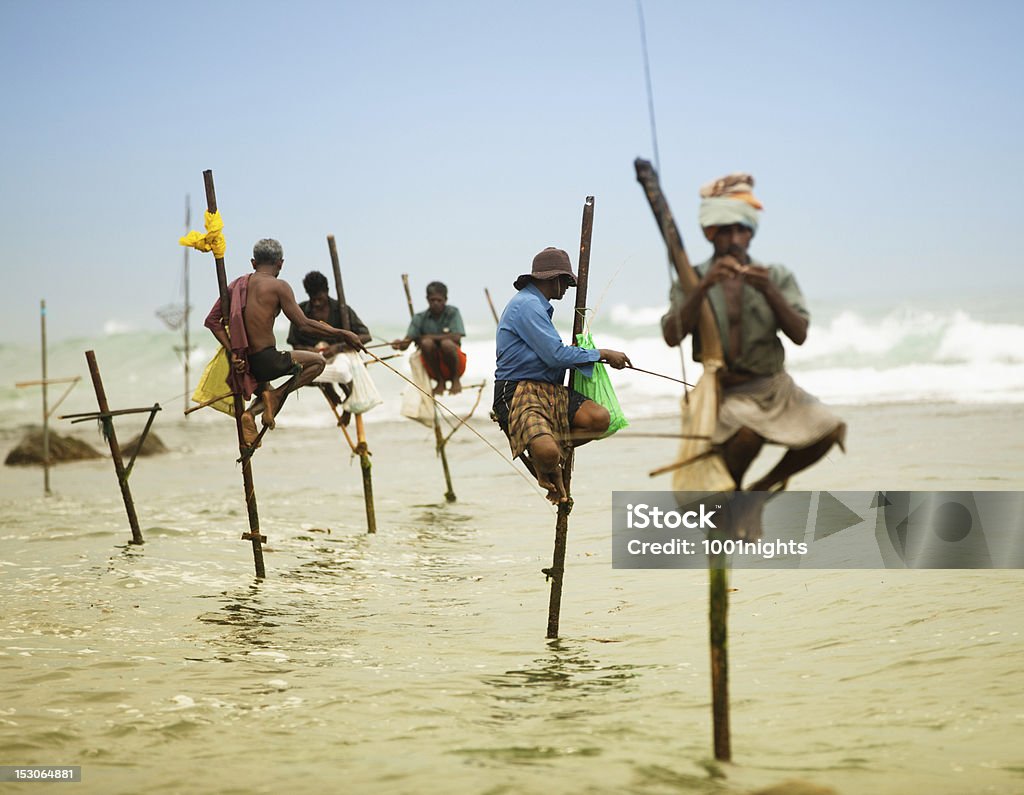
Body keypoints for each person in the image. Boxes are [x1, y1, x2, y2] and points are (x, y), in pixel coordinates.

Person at [661, 173, 845, 492]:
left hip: (775, 387)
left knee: (830, 429)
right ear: (710, 234)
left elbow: (799, 334)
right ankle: (730, 507)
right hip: (726, 392)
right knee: (746, 436)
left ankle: (759, 491)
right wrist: (703, 287)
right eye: (726, 231)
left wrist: (770, 291)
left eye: (742, 230)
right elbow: (671, 335)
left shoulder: (775, 275)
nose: (734, 239)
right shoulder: (693, 279)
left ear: (751, 234)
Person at [492, 247, 631, 503]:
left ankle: (548, 457)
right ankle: (546, 456)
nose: (567, 288)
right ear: (552, 279)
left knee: (599, 419)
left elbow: (553, 356)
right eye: (565, 282)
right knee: (547, 451)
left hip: (548, 391)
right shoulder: (527, 305)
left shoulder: (537, 305)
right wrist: (601, 353)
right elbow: (555, 356)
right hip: (518, 390)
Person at [204, 239, 364, 448]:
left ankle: (251, 415)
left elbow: (212, 321)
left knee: (265, 388)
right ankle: (276, 396)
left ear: (253, 263)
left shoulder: (235, 285)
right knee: (317, 363)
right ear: (280, 264)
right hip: (267, 360)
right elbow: (304, 324)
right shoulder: (279, 286)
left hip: (246, 362)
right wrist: (343, 333)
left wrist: (234, 351)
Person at [287, 270, 372, 407]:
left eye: (319, 298)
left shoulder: (341, 309)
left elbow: (365, 336)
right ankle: (328, 388)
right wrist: (310, 350)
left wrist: (338, 348)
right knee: (298, 374)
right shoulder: (301, 312)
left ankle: (348, 406)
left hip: (340, 357)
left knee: (343, 370)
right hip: (315, 361)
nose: (316, 303)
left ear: (327, 291)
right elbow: (295, 345)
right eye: (312, 299)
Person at [390, 281, 466, 395]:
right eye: (432, 300)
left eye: (439, 300)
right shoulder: (419, 318)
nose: (435, 303)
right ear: (427, 299)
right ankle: (440, 381)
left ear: (445, 299)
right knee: (426, 343)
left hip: (455, 364)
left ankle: (456, 380)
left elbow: (456, 336)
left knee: (446, 344)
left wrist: (428, 336)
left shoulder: (453, 312)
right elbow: (406, 343)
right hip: (433, 368)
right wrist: (399, 344)